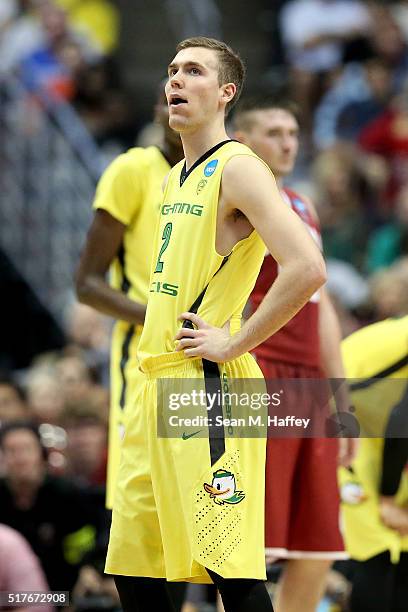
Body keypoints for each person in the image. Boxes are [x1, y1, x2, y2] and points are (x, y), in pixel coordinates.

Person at [104, 36, 326, 612]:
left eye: (193, 71)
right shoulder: (176, 175)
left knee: (233, 572)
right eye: (172, 69)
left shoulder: (240, 168)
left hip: (210, 386)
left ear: (226, 93)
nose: (175, 79)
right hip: (153, 381)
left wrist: (234, 341)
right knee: (136, 568)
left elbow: (307, 268)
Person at [234, 94, 350, 612]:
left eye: (294, 132)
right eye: (274, 132)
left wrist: (341, 392)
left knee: (317, 545)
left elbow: (320, 304)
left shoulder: (303, 204)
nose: (288, 142)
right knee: (250, 549)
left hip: (310, 381)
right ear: (242, 140)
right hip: (261, 373)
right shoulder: (231, 199)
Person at [76, 87, 184, 510]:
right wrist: (158, 319)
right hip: (143, 355)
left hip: (209, 355)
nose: (175, 107)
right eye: (167, 99)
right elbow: (86, 282)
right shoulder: (133, 169)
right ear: (156, 111)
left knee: (203, 505)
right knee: (139, 500)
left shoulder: (227, 173)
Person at [340, 316, 408, 612]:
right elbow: (402, 420)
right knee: (377, 547)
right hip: (334, 410)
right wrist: (388, 499)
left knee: (402, 545)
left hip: (373, 421)